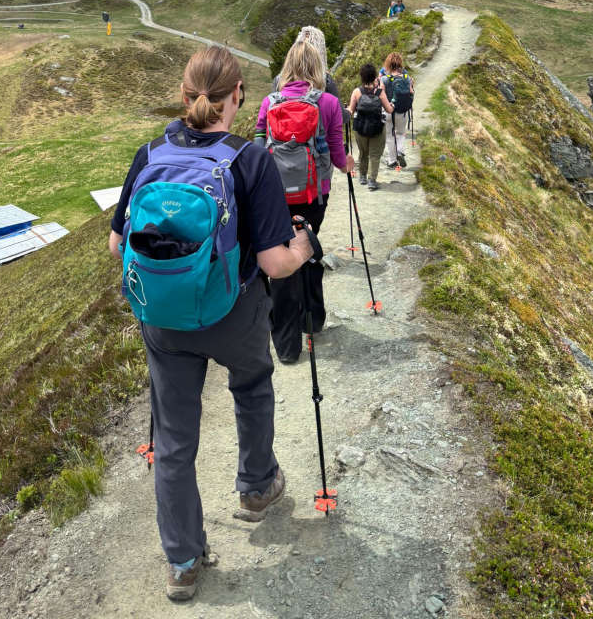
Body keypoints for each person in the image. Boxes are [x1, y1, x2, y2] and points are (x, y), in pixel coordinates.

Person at [108, 46, 314, 602]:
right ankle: (255, 488)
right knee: (250, 385)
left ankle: (182, 561)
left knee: (174, 439)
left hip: (163, 320)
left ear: (184, 95)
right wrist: (303, 245)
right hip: (232, 309)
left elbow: (116, 242)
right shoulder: (250, 160)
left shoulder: (149, 153)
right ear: (238, 95)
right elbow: (274, 263)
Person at [256, 41, 353, 362]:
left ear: (287, 68)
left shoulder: (269, 102)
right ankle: (313, 320)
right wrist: (347, 164)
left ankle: (285, 346)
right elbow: (337, 155)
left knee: (282, 261)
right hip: (315, 195)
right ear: (316, 67)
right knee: (308, 247)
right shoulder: (328, 102)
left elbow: (258, 147)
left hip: (275, 198)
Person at [273, 25, 350, 126]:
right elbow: (340, 116)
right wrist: (348, 112)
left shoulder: (280, 79)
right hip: (316, 136)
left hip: (284, 136)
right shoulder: (325, 80)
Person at [347, 63, 394, 190]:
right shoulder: (380, 92)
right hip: (377, 128)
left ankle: (362, 176)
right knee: (375, 155)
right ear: (374, 77)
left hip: (360, 128)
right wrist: (393, 105)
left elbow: (350, 110)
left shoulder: (357, 92)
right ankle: (372, 180)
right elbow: (389, 110)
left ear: (361, 77)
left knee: (363, 153)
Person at [382, 52, 414, 168]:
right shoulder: (406, 78)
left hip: (389, 110)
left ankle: (392, 161)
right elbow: (411, 93)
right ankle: (400, 151)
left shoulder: (384, 79)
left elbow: (381, 95)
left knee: (390, 136)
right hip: (402, 111)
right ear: (400, 63)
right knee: (400, 133)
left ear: (388, 64)